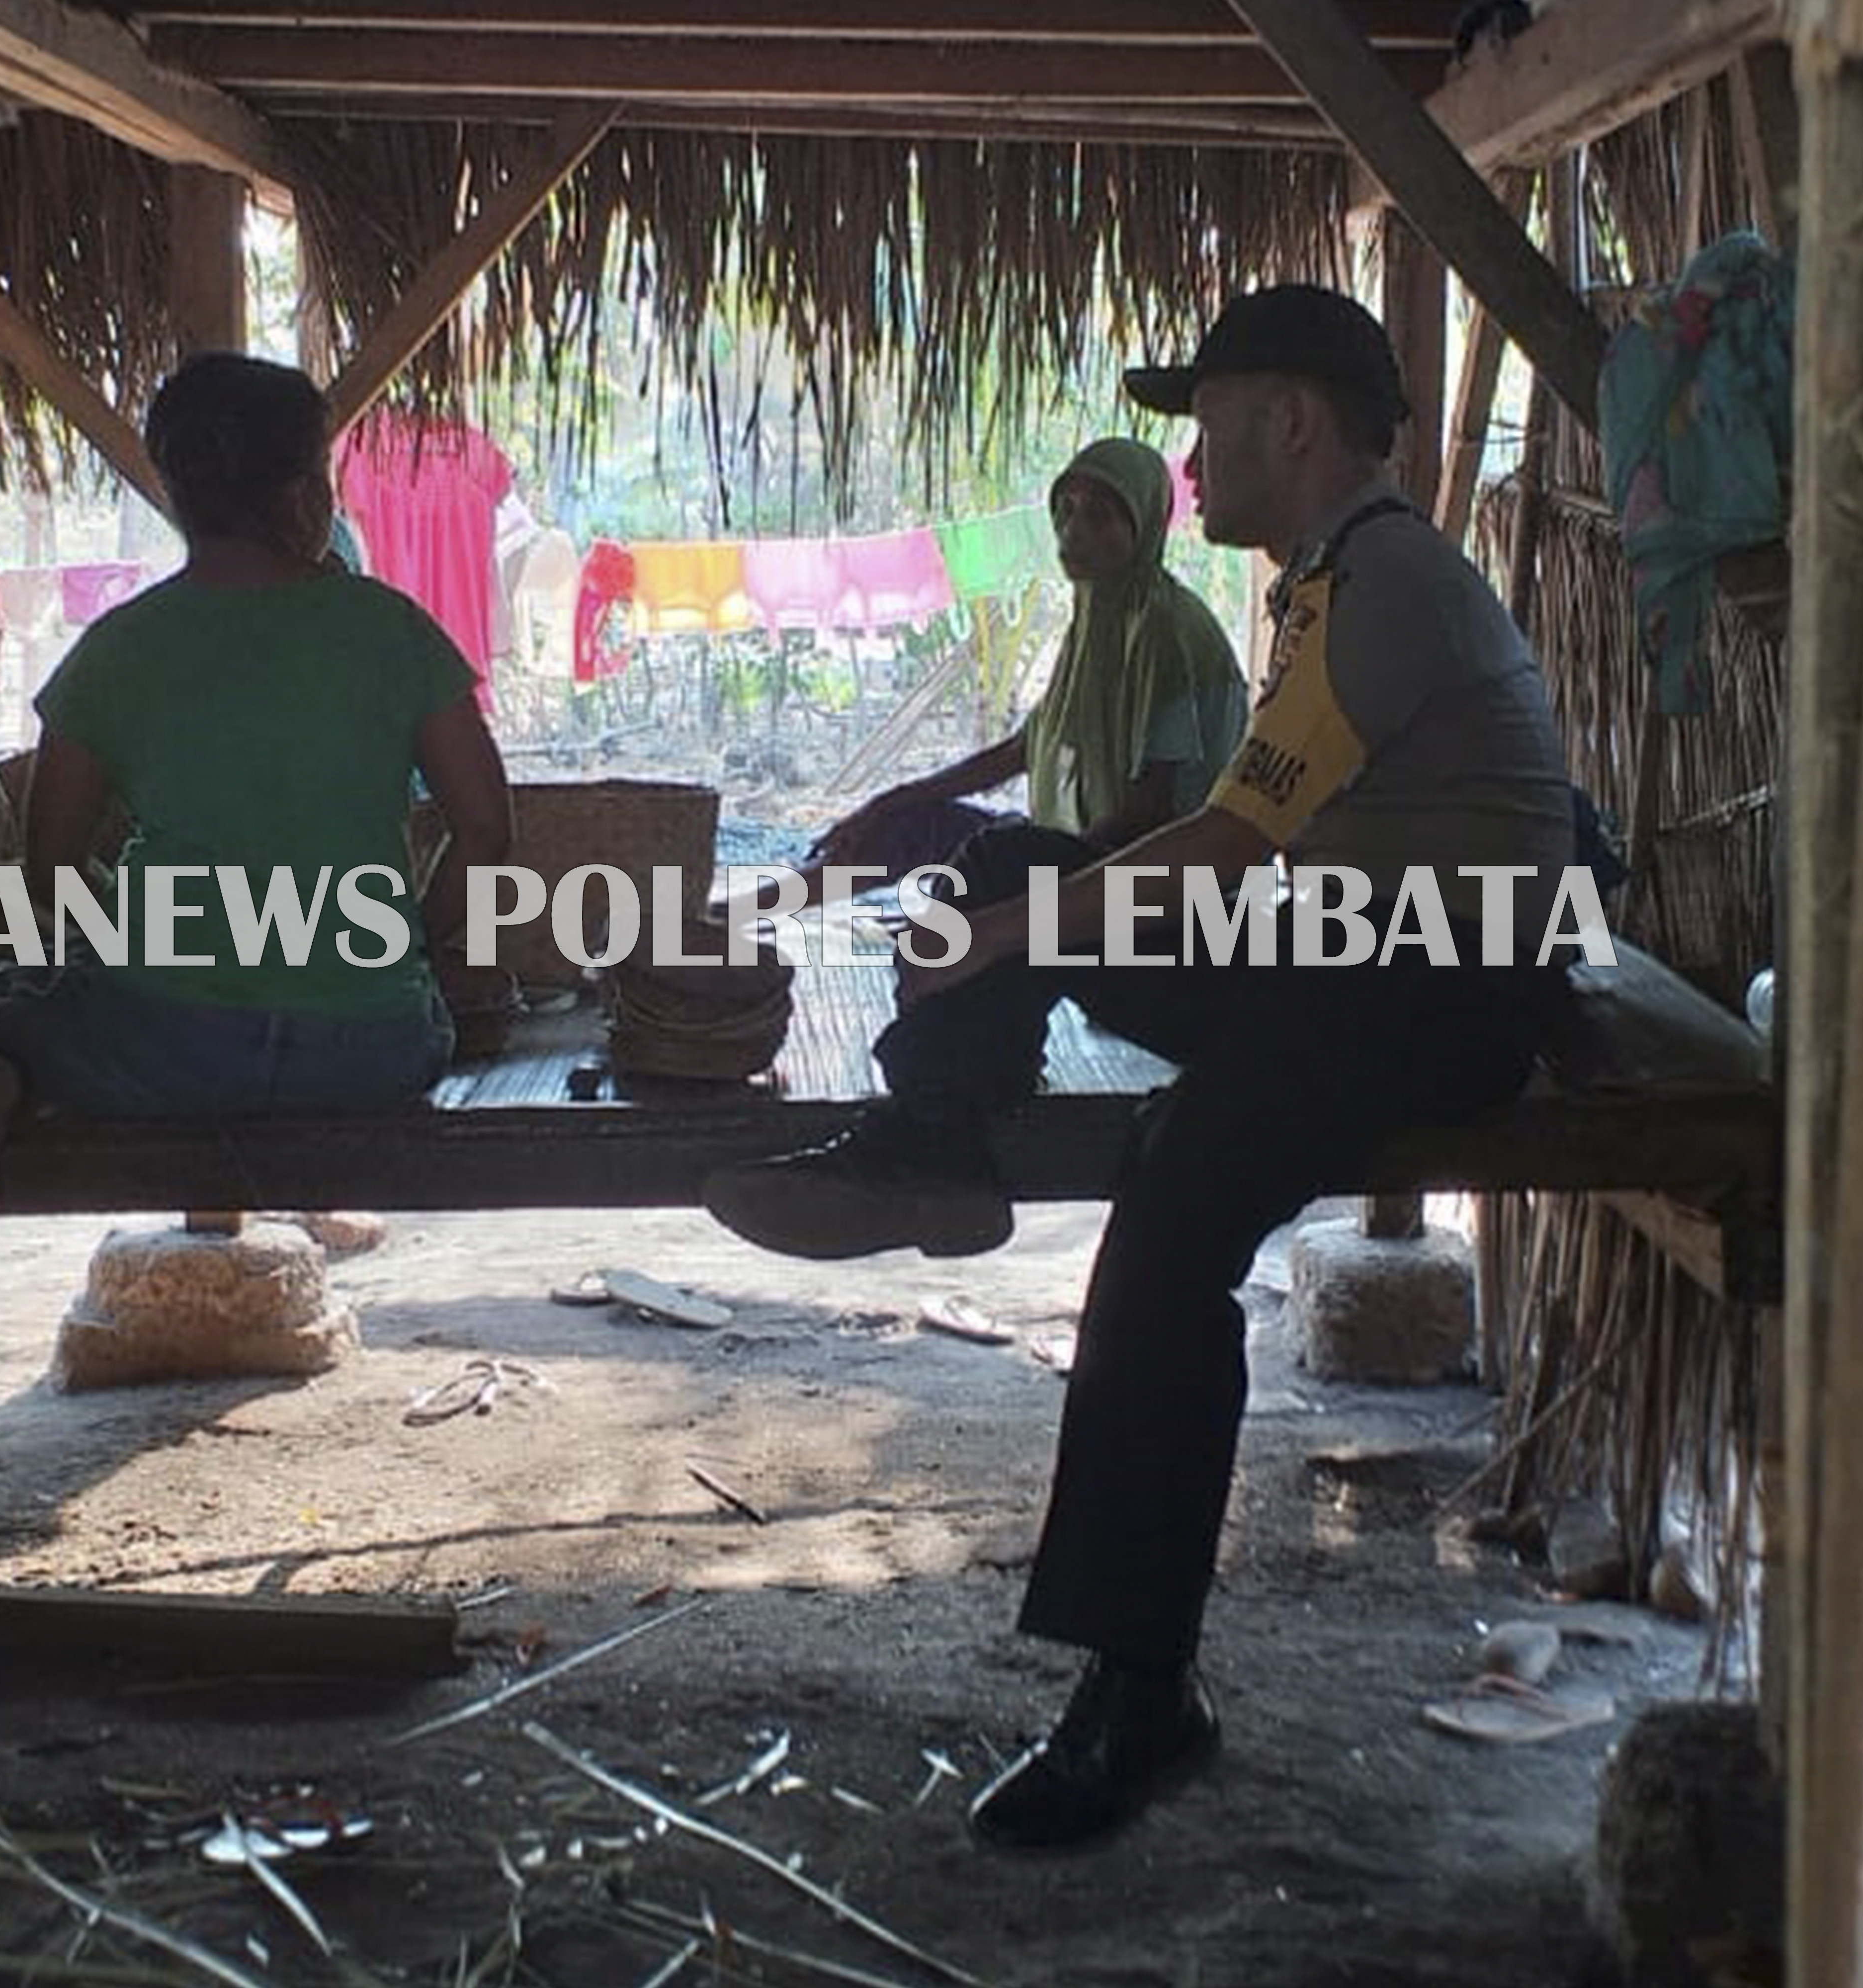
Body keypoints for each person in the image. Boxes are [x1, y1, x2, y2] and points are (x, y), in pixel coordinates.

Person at [705, 285, 1577, 1848]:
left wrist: (1016, 933)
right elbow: (1236, 851)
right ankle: (935, 1145)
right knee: (1014, 860)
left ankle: (1141, 1692)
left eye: (1205, 423)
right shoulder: (1332, 577)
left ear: (1290, 425)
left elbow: (1226, 839)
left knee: (1168, 1222)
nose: (1185, 460)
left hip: (1426, 989)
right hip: (1332, 952)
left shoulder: (1379, 581)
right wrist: (1021, 911)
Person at [0, 354, 514, 1276]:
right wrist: (416, 942)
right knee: (415, 1015)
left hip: (164, 1046)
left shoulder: (116, 652)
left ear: (179, 492)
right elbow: (489, 833)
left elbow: (50, 872)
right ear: (306, 493)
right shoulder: (392, 631)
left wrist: (130, 946)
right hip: (369, 1047)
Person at [801, 437, 1245, 898]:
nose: (1074, 531)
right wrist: (893, 801)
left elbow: (1152, 808)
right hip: (1093, 858)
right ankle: (736, 918)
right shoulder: (1097, 621)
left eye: (1099, 516)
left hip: (1168, 885)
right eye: (1068, 510)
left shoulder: (1163, 627)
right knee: (906, 827)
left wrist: (1040, 888)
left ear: (1145, 525)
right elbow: (1022, 750)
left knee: (990, 864)